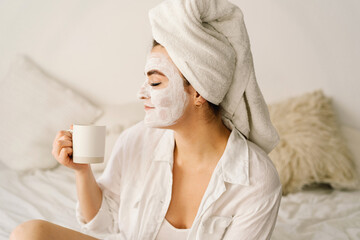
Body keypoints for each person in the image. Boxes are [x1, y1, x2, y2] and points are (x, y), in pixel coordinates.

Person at [10, 0, 282, 239]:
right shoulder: (136, 139)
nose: (141, 93)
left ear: (198, 91)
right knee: (29, 234)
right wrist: (83, 171)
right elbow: (105, 223)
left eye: (154, 81)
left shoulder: (256, 180)